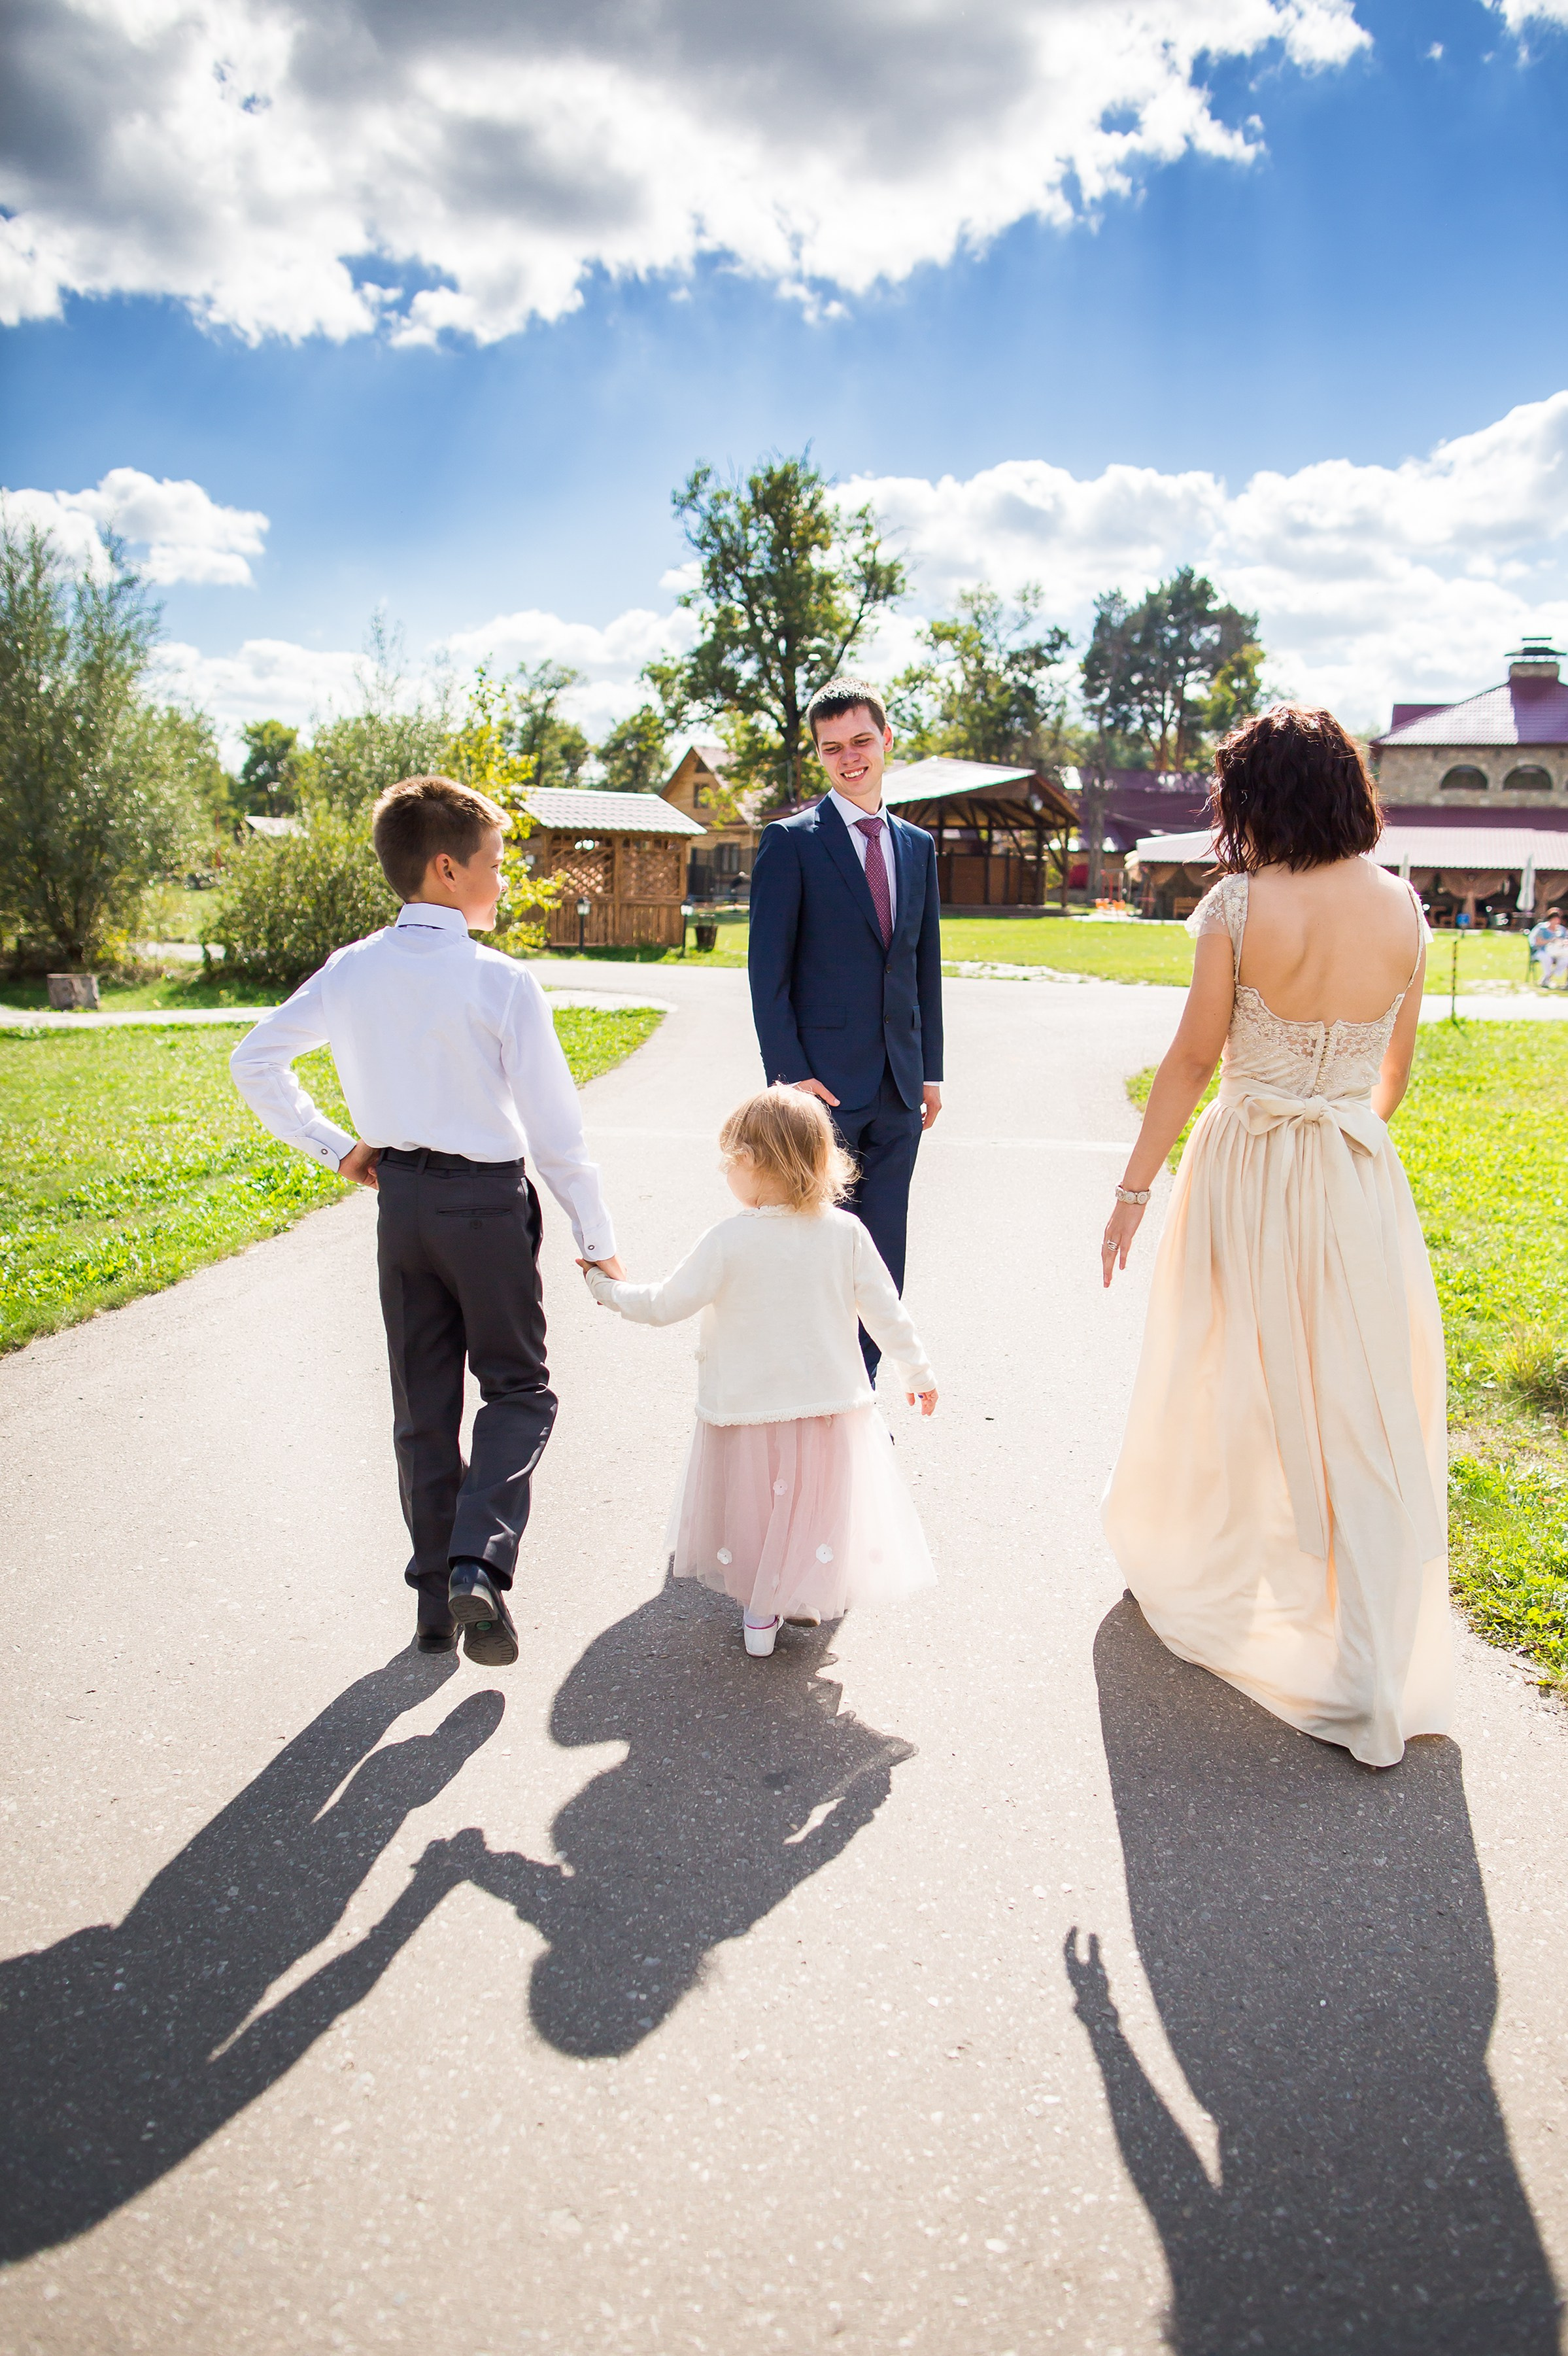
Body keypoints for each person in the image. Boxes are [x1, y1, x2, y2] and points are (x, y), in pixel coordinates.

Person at [1099, 706, 1450, 1770]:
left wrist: (1131, 1188)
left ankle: (1223, 1568)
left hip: (1245, 1163)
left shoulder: (1237, 904)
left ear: (1260, 796)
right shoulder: (1403, 908)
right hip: (1352, 1171)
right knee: (1358, 1398)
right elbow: (1392, 1078)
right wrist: (1334, 1132)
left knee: (1226, 1365)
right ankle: (1368, 1660)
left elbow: (1189, 1060)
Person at [230, 774, 622, 1665]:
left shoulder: (352, 968)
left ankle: (433, 1609)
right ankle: (476, 1561)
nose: (504, 879)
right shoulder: (499, 980)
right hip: (484, 1206)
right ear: (447, 868)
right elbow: (556, 1131)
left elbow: (256, 1061)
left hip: (400, 1205)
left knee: (422, 1406)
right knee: (518, 1390)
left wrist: (337, 1147)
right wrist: (596, 1240)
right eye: (496, 862)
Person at [582, 1086, 936, 1656]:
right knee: (817, 1508)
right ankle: (801, 1592)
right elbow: (886, 1313)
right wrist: (916, 1373)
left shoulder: (729, 1239)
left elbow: (662, 1305)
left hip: (748, 1408)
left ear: (750, 1161)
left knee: (756, 1513)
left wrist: (603, 1285)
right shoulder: (845, 1233)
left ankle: (760, 1612)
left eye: (729, 1161)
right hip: (827, 1406)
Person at [746, 677, 943, 1381]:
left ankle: (859, 1397)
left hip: (899, 1089)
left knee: (882, 1254)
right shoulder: (790, 842)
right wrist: (790, 1080)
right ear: (819, 755)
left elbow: (923, 966)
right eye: (833, 748)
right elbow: (767, 973)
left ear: (886, 740)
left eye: (861, 741)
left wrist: (930, 1071)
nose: (850, 757)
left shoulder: (916, 846)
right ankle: (811, 1390)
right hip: (820, 1090)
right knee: (813, 1251)